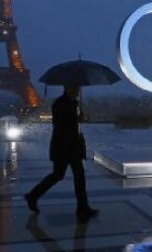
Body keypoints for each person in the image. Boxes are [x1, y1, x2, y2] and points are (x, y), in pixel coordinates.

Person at [25, 85, 98, 221]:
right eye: (76, 88)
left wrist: (77, 117)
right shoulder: (61, 103)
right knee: (72, 176)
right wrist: (77, 118)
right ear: (68, 88)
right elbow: (62, 124)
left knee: (64, 175)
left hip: (67, 146)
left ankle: (34, 196)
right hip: (65, 146)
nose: (78, 91)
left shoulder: (68, 103)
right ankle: (82, 207)